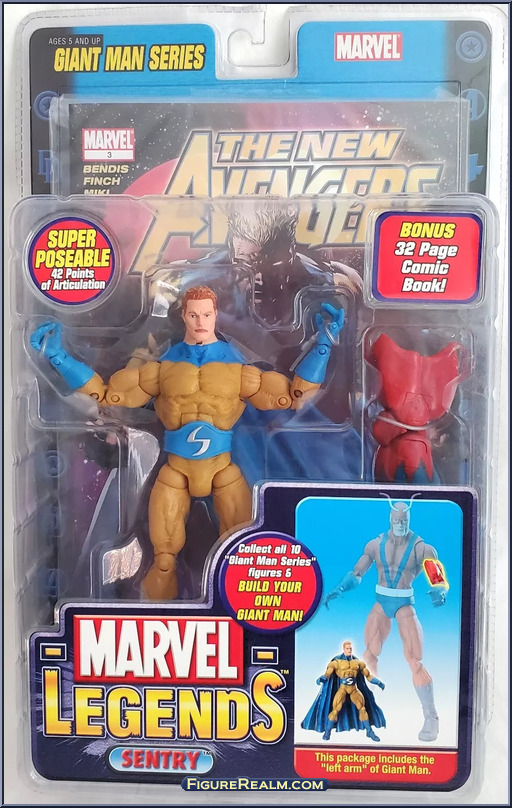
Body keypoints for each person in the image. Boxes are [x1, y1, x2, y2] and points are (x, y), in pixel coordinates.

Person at [31, 286, 343, 601]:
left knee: (242, 548)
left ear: (216, 315)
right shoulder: (161, 371)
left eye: (206, 314)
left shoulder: (239, 371)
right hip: (176, 471)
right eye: (193, 314)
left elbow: (295, 396)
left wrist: (323, 343)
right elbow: (105, 394)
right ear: (184, 316)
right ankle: (157, 613)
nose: (200, 321)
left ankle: (240, 606)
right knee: (163, 558)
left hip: (222, 469)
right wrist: (57, 356)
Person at [324, 498, 448, 742]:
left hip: (404, 603)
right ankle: (371, 707)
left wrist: (440, 591)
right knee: (369, 654)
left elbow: (437, 577)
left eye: (404, 520)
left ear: (409, 519)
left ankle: (431, 716)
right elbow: (358, 572)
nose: (400, 524)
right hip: (381, 602)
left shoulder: (422, 548)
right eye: (397, 520)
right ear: (390, 519)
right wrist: (340, 588)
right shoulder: (375, 544)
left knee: (414, 659)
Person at [302, 640, 386, 742]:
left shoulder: (358, 663)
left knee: (362, 709)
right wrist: (322, 678)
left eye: (350, 648)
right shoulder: (336, 663)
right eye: (347, 648)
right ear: (344, 649)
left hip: (354, 689)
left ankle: (369, 731)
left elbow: (368, 676)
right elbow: (327, 674)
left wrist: (378, 683)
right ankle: (327, 731)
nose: (349, 650)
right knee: (335, 710)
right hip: (342, 689)